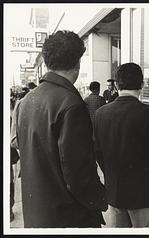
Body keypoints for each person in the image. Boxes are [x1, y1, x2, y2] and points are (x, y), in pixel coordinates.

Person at [13, 30, 107, 228]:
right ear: (77, 63)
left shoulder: (25, 102)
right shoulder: (70, 104)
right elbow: (78, 174)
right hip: (69, 217)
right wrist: (100, 198)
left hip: (37, 214)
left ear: (47, 62)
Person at [94, 63, 149, 227]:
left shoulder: (100, 113)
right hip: (144, 194)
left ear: (116, 85)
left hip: (115, 192)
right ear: (142, 85)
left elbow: (98, 153)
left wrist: (112, 175)